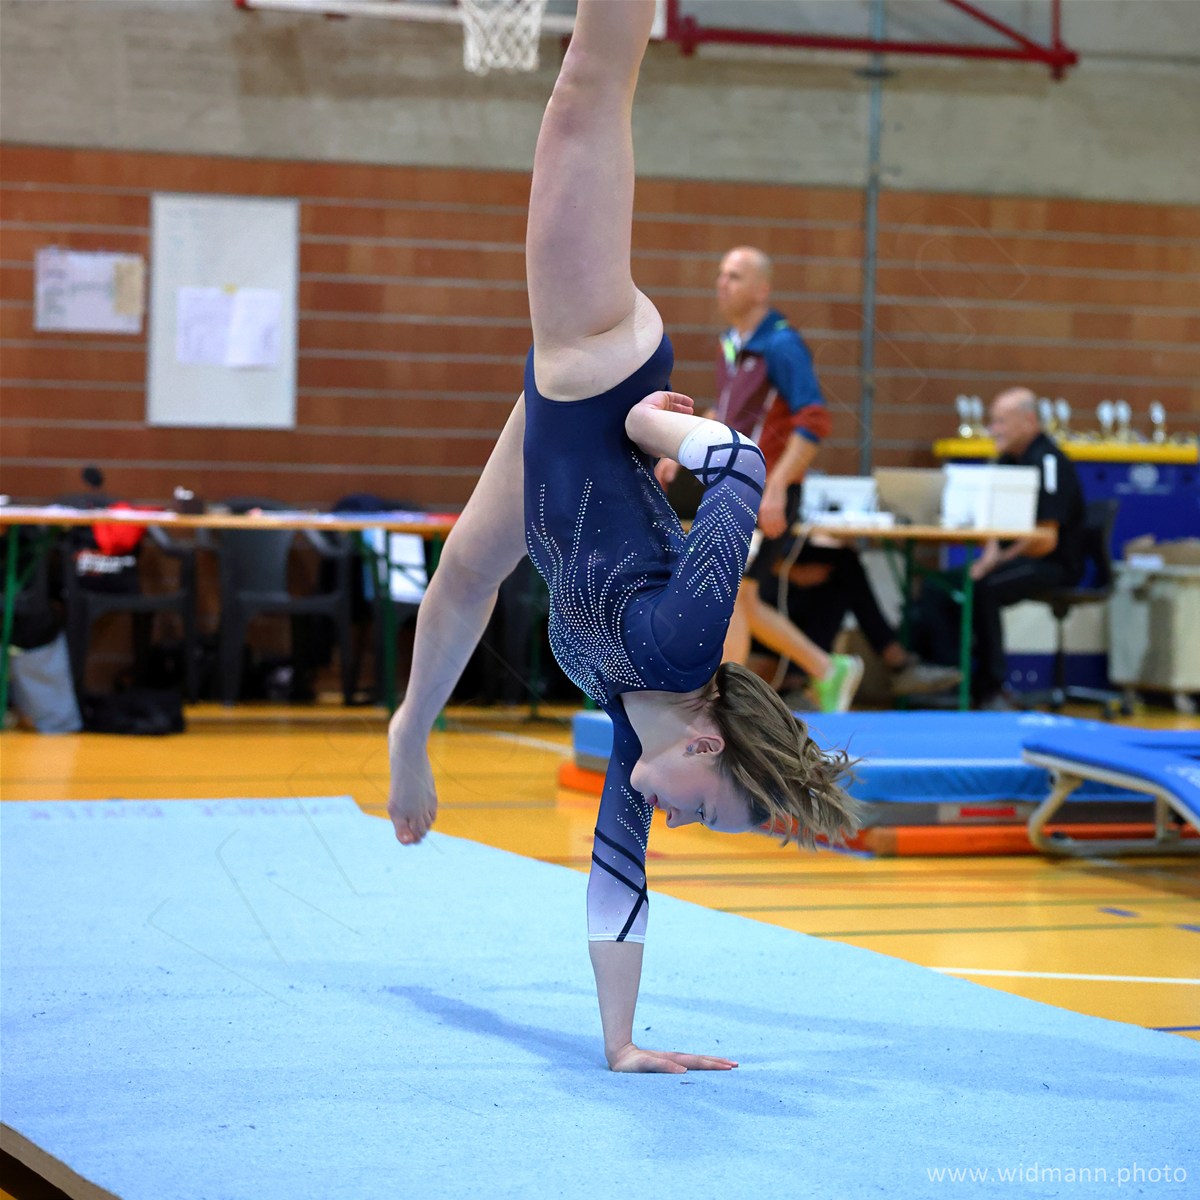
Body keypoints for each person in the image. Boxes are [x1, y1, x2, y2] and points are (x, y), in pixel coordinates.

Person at [386, 0, 862, 1074]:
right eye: (707, 815)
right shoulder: (685, 646)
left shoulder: (629, 713)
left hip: (551, 443)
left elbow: (616, 882)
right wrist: (658, 430)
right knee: (587, 90)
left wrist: (621, 1044)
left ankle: (410, 728)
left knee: (463, 579)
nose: (679, 826)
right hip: (601, 362)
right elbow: (740, 468)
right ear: (706, 747)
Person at [659, 246, 958, 707]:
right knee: (744, 599)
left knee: (734, 597)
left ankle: (724, 703)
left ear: (762, 289)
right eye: (720, 274)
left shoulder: (782, 346)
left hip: (765, 491)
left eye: (735, 276)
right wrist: (682, 443)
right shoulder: (731, 344)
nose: (722, 283)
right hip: (734, 489)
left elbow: (813, 421)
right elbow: (732, 413)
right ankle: (827, 669)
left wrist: (777, 486)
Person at [969, 386, 1086, 710]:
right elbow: (993, 521)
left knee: (984, 588)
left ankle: (993, 688)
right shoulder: (1007, 460)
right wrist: (990, 554)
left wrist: (997, 561)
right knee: (951, 585)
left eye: (1001, 422)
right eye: (993, 422)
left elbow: (1045, 539)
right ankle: (951, 678)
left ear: (1029, 421)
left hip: (1054, 564)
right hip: (1017, 559)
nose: (994, 430)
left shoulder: (1048, 460)